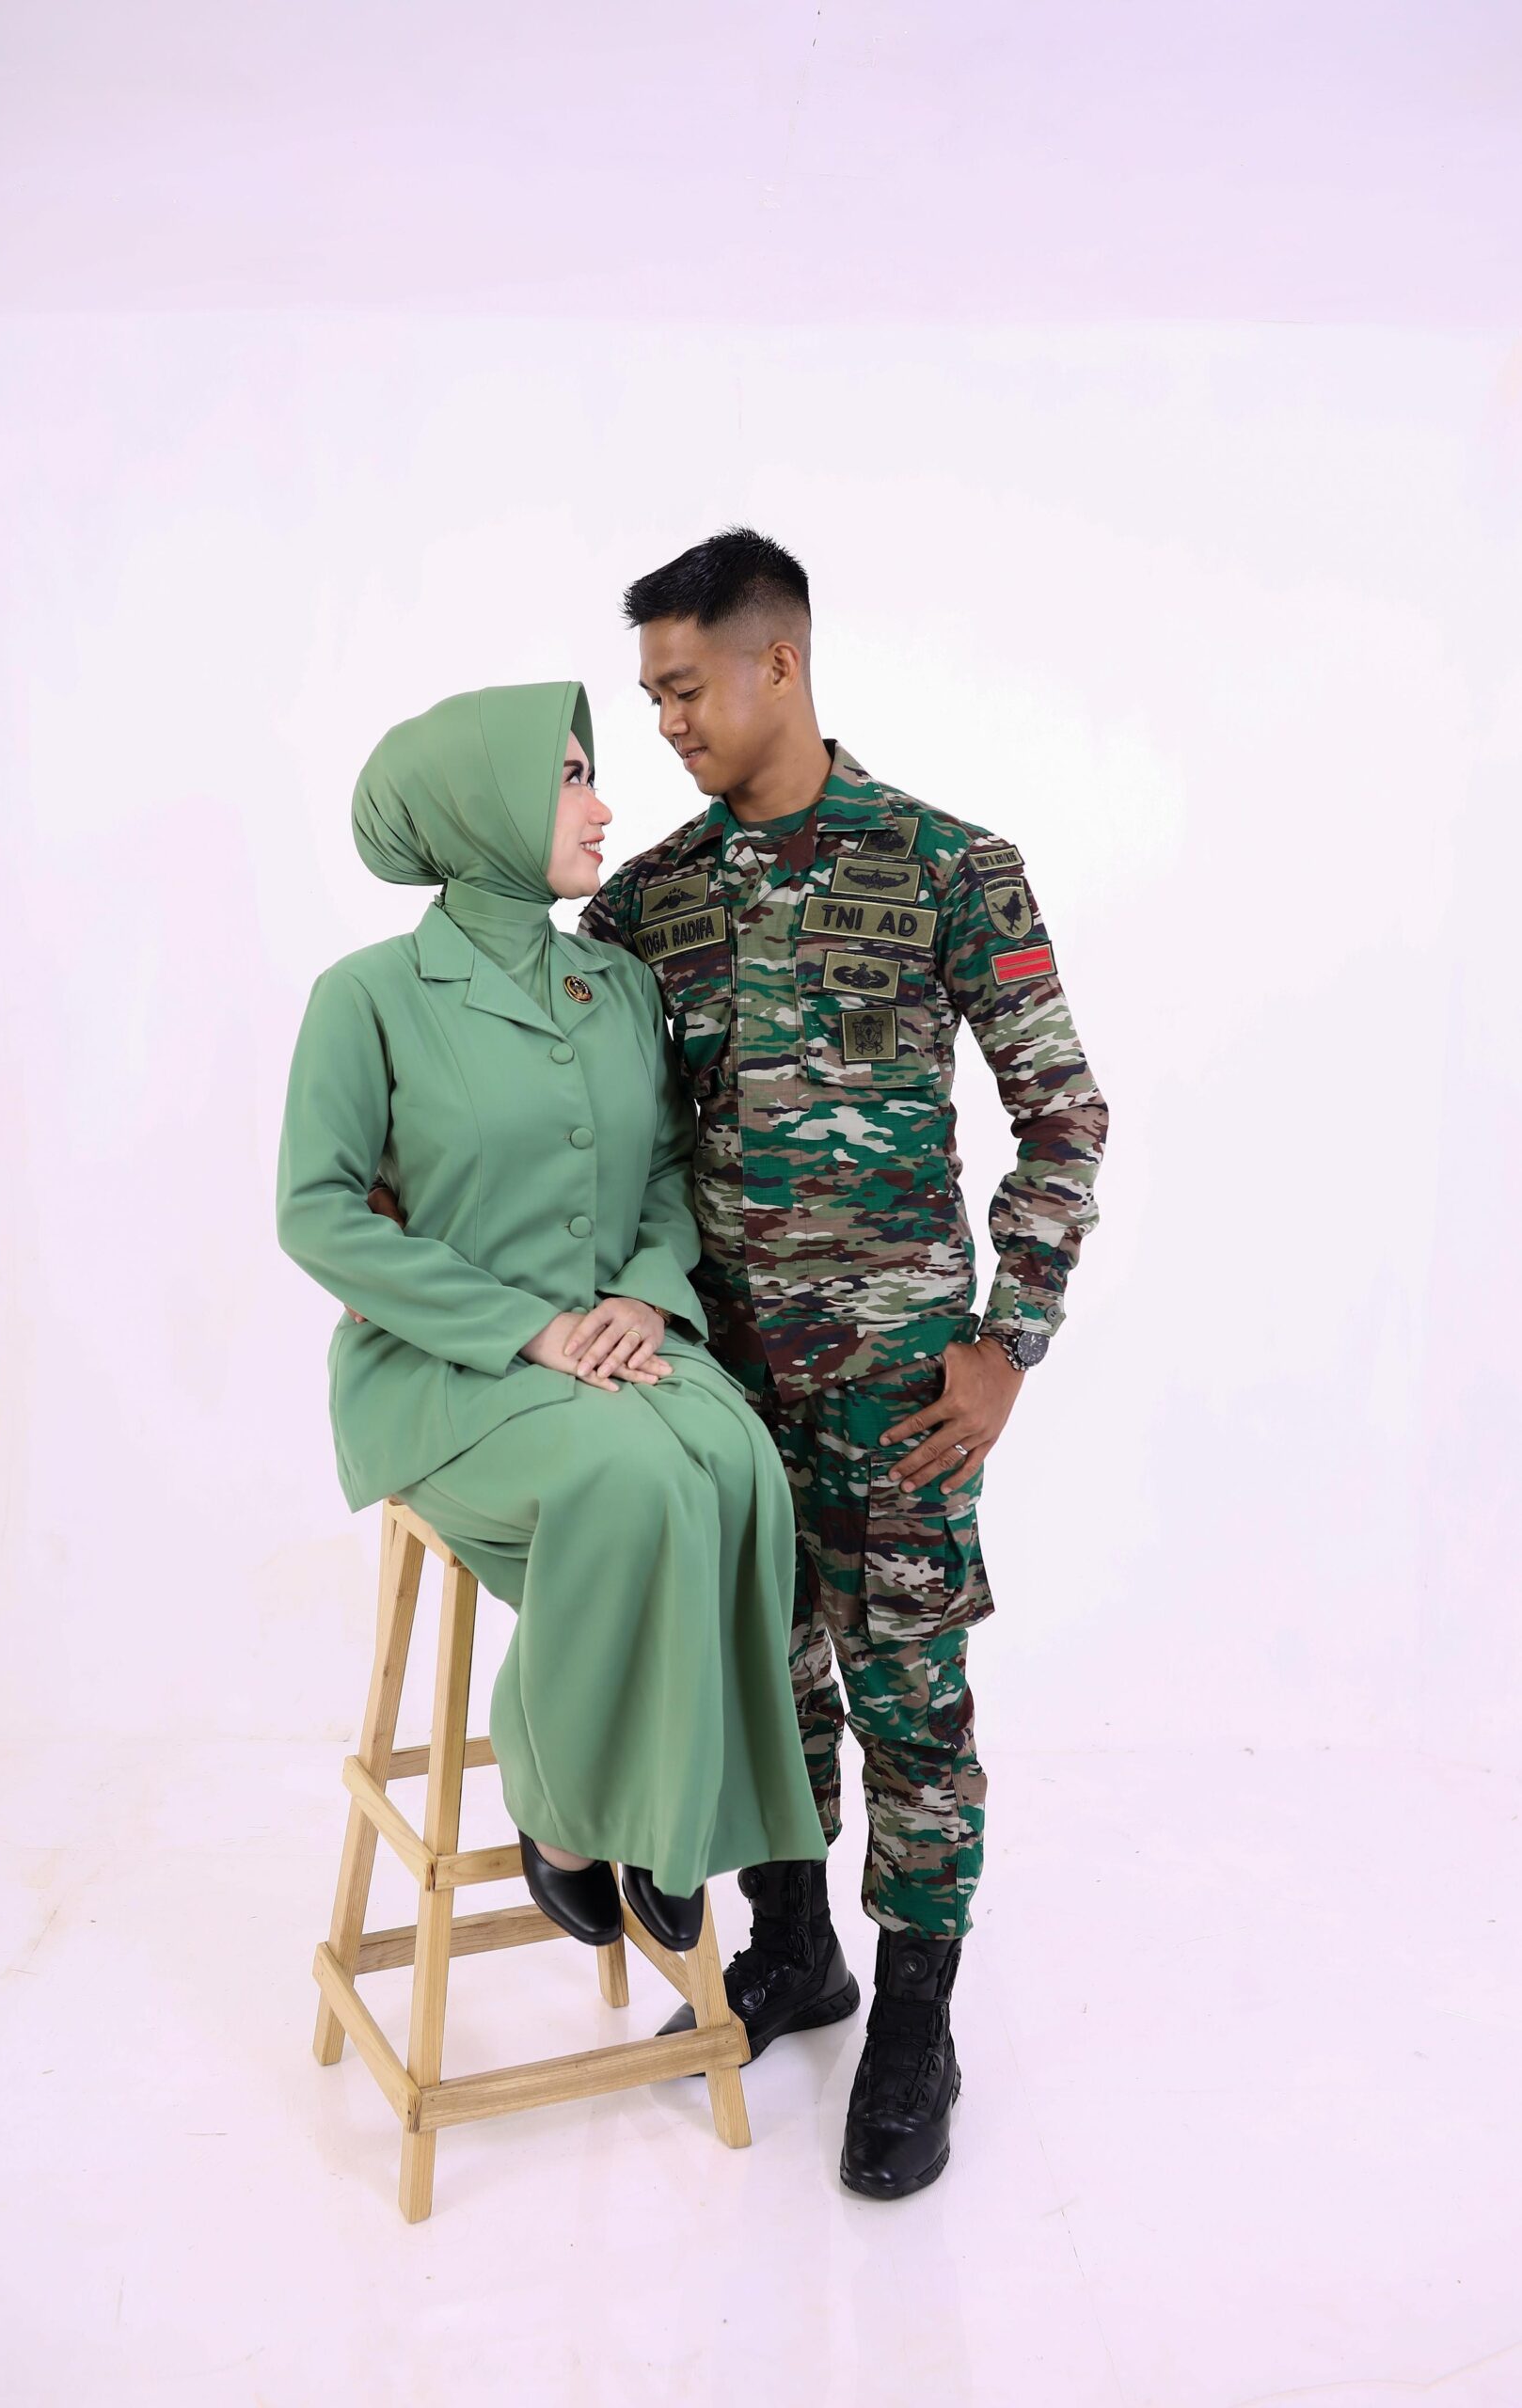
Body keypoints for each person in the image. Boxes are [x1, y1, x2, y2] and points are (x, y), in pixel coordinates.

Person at [574, 529, 1110, 2197]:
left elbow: (1063, 1115)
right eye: (651, 697)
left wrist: (1008, 1341)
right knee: (766, 1686)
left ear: (779, 663)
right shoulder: (648, 902)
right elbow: (584, 1129)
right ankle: (797, 1950)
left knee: (911, 1708)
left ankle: (916, 2027)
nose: (668, 721)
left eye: (685, 687)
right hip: (716, 1393)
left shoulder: (949, 867)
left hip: (901, 1402)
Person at [275, 678, 826, 1956]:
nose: (602, 805)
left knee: (741, 1463)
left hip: (617, 1342)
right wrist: (526, 1329)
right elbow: (317, 1214)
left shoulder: (616, 987)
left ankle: (676, 1809)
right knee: (637, 1483)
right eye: (569, 776)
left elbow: (669, 1167)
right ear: (482, 806)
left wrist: (644, 1292)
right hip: (446, 1372)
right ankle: (573, 1806)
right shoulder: (369, 996)